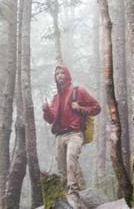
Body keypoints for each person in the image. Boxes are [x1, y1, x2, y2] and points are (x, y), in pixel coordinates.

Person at [42, 64, 101, 208]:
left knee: (71, 160)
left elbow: (96, 107)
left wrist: (80, 108)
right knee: (61, 167)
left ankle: (73, 192)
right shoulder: (56, 98)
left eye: (62, 72)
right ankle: (64, 197)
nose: (60, 75)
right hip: (60, 136)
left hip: (75, 133)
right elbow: (51, 119)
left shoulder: (78, 91)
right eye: (57, 74)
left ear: (67, 75)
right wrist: (46, 110)